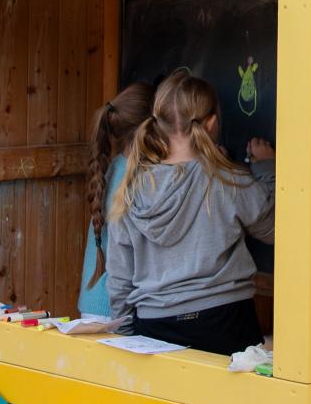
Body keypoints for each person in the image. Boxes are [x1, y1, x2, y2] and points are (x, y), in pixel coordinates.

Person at [105, 70, 276, 355]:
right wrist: (267, 168)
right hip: (226, 322)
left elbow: (119, 277)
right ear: (211, 124)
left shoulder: (131, 188)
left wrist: (125, 336)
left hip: (153, 327)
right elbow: (275, 229)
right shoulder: (227, 180)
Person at [79, 82, 154, 316]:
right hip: (113, 313)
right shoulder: (139, 177)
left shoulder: (114, 167)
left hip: (93, 303)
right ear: (151, 128)